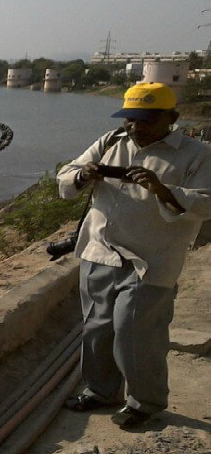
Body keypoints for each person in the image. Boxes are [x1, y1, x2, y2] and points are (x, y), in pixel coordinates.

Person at [57, 82, 211, 429]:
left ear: (171, 117)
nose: (137, 127)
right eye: (131, 119)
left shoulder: (195, 153)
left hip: (152, 258)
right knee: (97, 327)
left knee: (135, 330)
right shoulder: (111, 142)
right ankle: (100, 390)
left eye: (147, 120)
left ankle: (146, 401)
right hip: (101, 250)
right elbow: (65, 177)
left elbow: (206, 201)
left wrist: (162, 189)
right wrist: (84, 174)